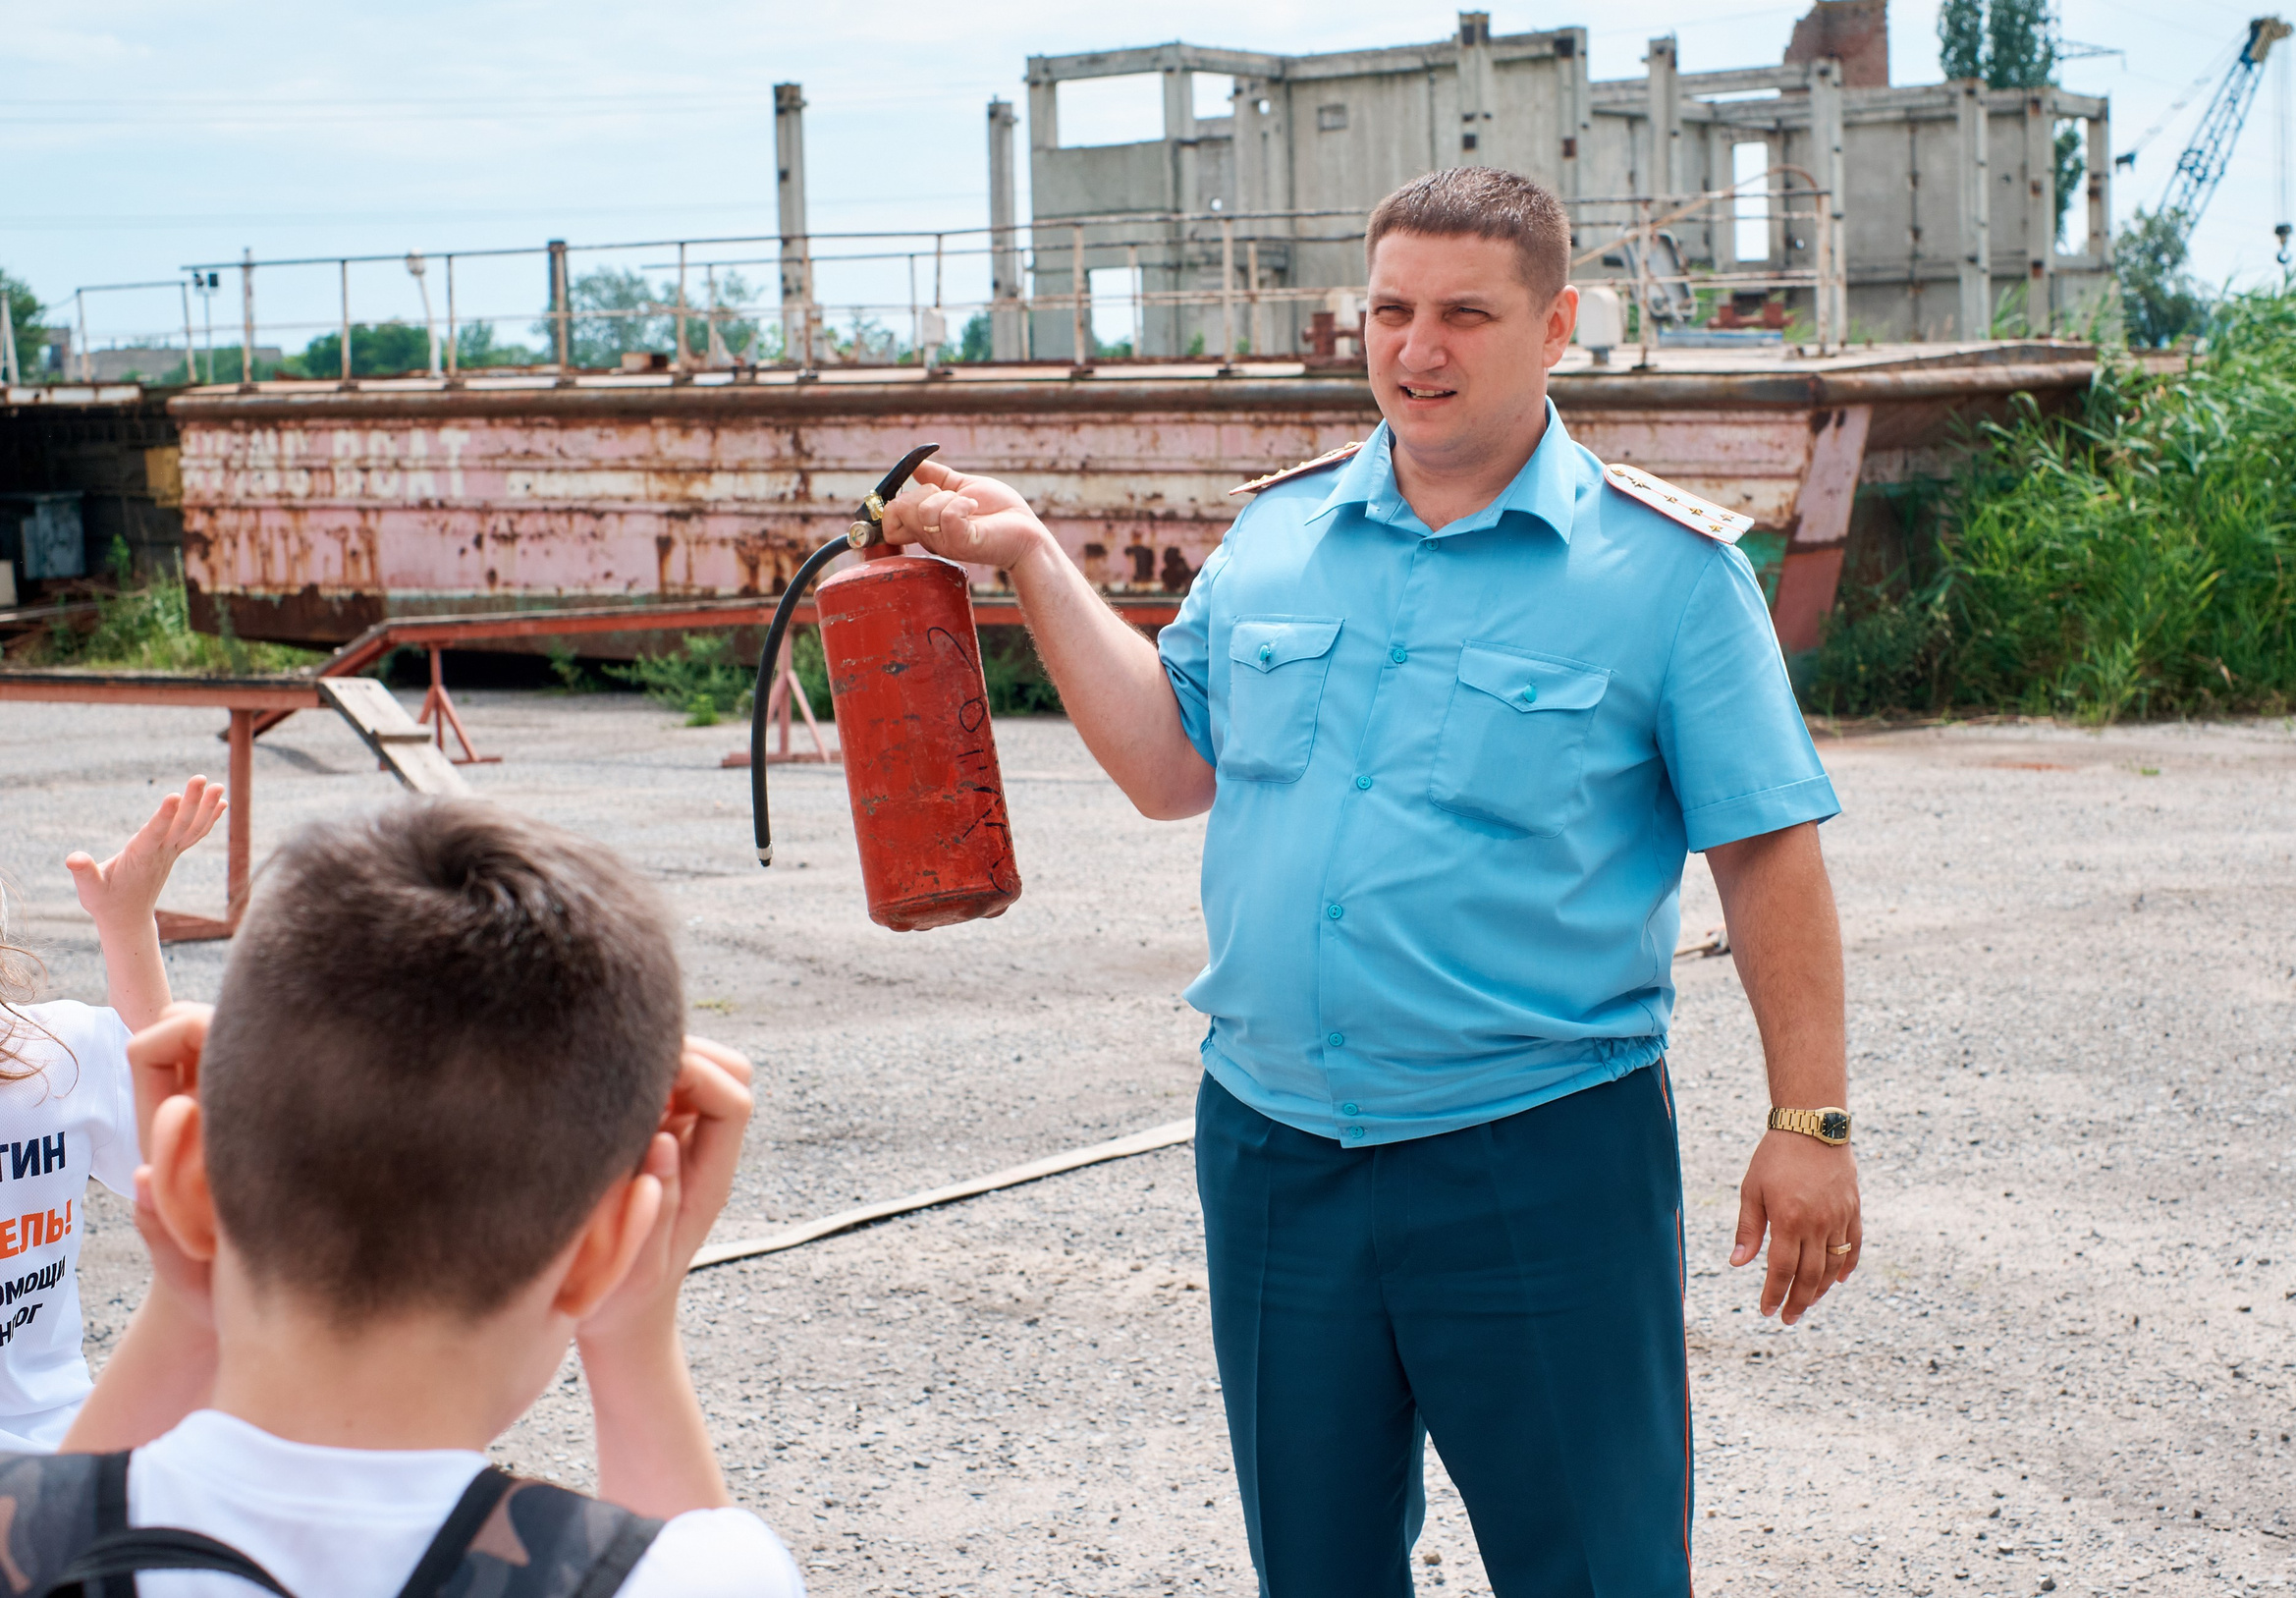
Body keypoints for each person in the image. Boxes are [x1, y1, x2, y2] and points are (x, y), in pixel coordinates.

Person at [883, 166, 1859, 1595]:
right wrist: (1029, 555)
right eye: (1392, 310)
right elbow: (1168, 763)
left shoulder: (1662, 574)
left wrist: (1809, 1119)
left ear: (1558, 325)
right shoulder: (1279, 536)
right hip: (1275, 1150)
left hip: (1538, 1153)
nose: (1418, 348)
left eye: (1467, 313)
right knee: (1317, 1569)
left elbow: (1766, 847)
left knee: (1595, 1568)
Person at [37, 798, 802, 1597]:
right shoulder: (698, 1575)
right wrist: (632, 1336)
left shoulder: (22, 1533)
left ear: (187, 1181)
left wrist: (189, 1281)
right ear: (608, 1251)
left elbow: (53, 1543)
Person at [0, 776, 226, 1453]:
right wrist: (125, 920)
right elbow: (194, 1176)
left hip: (59, 1453)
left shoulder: (57, 1055)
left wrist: (127, 923)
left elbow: (193, 1175)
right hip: (64, 1456)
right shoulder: (54, 1054)